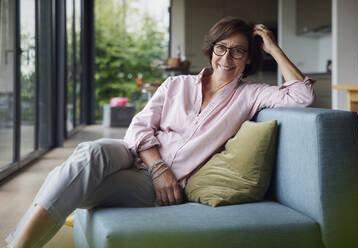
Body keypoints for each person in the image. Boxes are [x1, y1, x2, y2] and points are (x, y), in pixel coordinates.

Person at [5, 17, 315, 248]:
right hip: (136, 156)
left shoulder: (252, 94)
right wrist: (158, 166)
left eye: (238, 51)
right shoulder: (176, 84)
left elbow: (302, 97)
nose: (227, 58)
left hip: (157, 187)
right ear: (211, 50)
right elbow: (139, 127)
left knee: (72, 182)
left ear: (249, 57)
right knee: (90, 151)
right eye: (221, 48)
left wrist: (273, 47)